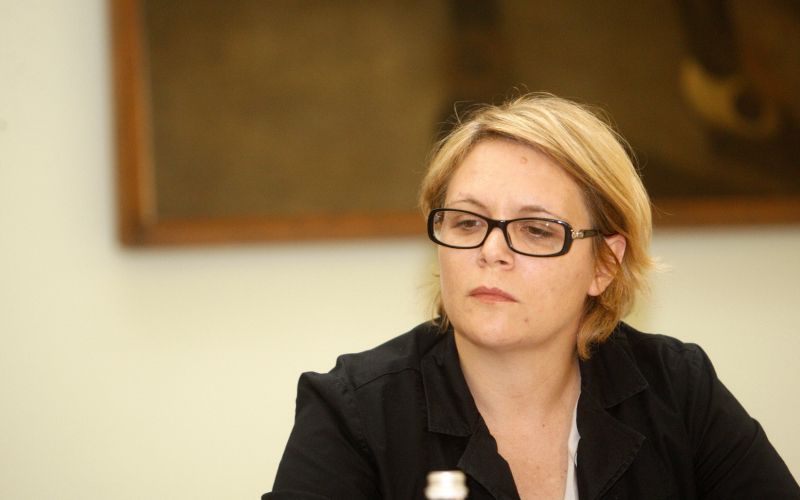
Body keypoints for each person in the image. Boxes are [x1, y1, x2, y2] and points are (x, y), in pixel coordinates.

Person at [264, 94, 799, 499]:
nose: (491, 251)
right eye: (467, 222)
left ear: (604, 264)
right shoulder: (355, 412)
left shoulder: (677, 390)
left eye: (537, 230)